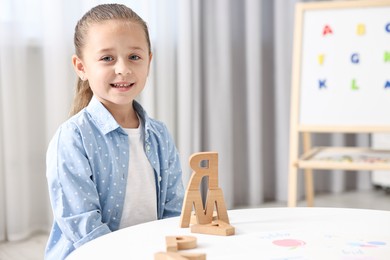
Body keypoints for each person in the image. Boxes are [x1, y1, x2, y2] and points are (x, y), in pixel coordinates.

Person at [45, 4, 184, 259]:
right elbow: (83, 226)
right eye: (107, 58)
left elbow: (174, 210)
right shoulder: (73, 138)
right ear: (81, 67)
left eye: (134, 56)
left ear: (148, 61)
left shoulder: (159, 134)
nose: (123, 68)